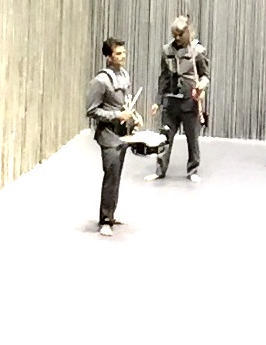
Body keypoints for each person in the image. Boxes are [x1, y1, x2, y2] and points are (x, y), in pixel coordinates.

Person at [85, 37, 140, 235]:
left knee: (116, 177)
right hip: (108, 136)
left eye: (123, 52)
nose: (122, 56)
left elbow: (125, 103)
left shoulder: (123, 75)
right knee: (110, 177)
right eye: (118, 53)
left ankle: (111, 214)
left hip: (122, 134)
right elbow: (92, 111)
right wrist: (116, 115)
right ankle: (105, 220)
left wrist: (134, 116)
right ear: (108, 57)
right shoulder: (100, 81)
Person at [146, 15, 209, 183]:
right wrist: (157, 101)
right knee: (165, 137)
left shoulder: (198, 51)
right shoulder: (167, 50)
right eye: (175, 34)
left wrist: (201, 85)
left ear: (188, 32)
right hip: (171, 102)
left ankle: (193, 169)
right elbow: (163, 77)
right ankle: (160, 170)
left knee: (192, 138)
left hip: (189, 102)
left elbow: (205, 75)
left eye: (181, 34)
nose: (177, 37)